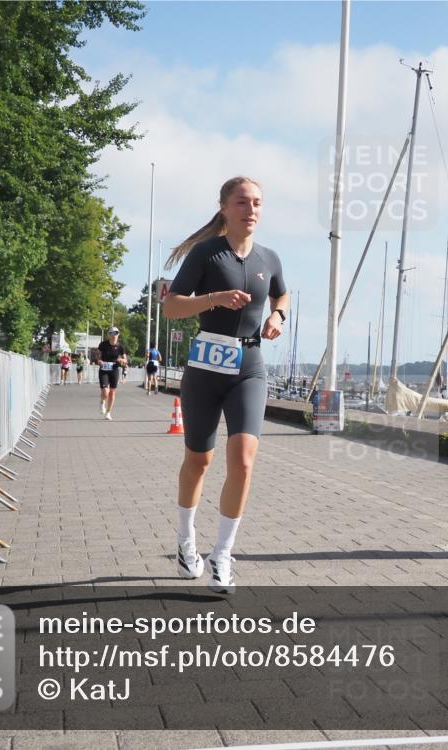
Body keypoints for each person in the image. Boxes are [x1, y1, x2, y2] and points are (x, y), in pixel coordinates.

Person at [163, 176, 289, 593]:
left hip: (249, 366)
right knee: (199, 461)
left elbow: (281, 297)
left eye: (256, 203)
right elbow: (172, 307)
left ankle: (223, 554)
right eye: (242, 202)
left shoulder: (269, 258)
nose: (250, 209)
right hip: (205, 367)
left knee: (245, 459)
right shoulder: (206, 254)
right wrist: (213, 299)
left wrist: (278, 317)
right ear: (224, 207)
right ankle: (186, 543)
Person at [96, 327, 128, 421]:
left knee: (112, 392)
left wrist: (121, 360)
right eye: (112, 334)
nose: (114, 336)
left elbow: (125, 360)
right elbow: (97, 355)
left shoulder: (120, 347)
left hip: (114, 370)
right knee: (105, 392)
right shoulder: (103, 344)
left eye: (116, 334)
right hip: (104, 370)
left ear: (118, 335)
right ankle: (102, 402)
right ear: (109, 335)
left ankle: (108, 412)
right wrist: (99, 360)